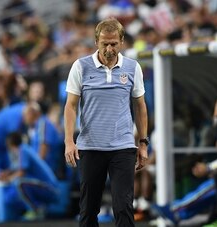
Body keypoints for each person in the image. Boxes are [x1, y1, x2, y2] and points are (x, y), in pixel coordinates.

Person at [64, 18, 148, 227]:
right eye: (105, 44)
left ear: (121, 42)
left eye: (114, 43)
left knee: (123, 207)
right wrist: (69, 141)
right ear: (96, 42)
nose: (109, 49)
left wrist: (143, 143)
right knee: (89, 210)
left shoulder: (132, 67)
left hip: (123, 147)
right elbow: (71, 106)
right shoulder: (80, 66)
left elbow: (140, 106)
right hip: (91, 147)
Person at [0, 132, 59, 220]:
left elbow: (21, 172)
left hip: (50, 189)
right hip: (48, 188)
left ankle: (36, 210)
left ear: (9, 143)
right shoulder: (24, 149)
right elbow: (15, 168)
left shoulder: (23, 150)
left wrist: (8, 179)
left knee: (19, 183)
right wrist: (6, 173)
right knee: (18, 183)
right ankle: (37, 209)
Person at [0, 101, 41, 179]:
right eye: (33, 119)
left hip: (2, 147)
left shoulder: (23, 112)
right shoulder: (15, 119)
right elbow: (13, 145)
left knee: (4, 173)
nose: (33, 122)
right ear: (29, 113)